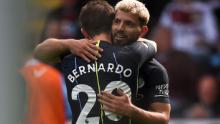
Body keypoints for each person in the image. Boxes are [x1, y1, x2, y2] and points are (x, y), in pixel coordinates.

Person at [34, 0, 171, 124]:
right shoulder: (80, 51)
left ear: (143, 31)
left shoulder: (153, 69)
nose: (120, 28)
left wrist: (132, 111)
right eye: (117, 21)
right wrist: (69, 43)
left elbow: (163, 118)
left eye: (128, 24)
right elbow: (151, 45)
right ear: (110, 25)